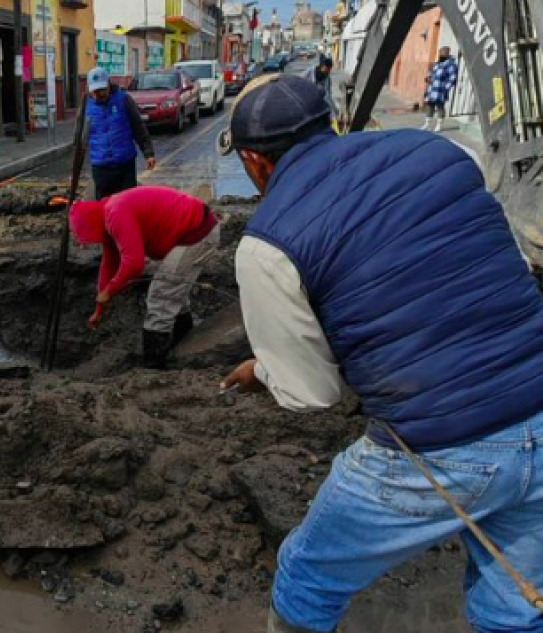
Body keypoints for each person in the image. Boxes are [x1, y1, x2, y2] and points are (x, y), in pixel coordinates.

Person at [217, 73, 543, 632]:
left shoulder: (269, 242)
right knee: (518, 601)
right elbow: (502, 262)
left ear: (254, 161)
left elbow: (313, 393)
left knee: (306, 576)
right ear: (329, 123)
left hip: (442, 446)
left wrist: (264, 371)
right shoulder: (439, 150)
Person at [69, 185, 220, 368]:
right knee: (171, 293)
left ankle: (154, 366)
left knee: (160, 297)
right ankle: (184, 345)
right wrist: (99, 308)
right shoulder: (107, 213)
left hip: (197, 233)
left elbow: (134, 264)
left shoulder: (116, 214)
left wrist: (110, 291)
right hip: (187, 231)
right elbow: (109, 264)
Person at [85, 67, 156, 199]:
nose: (100, 94)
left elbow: (138, 126)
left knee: (128, 204)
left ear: (108, 84)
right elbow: (80, 139)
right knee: (104, 207)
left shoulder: (124, 100)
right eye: (96, 91)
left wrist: (148, 153)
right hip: (101, 167)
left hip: (125, 165)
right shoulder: (86, 107)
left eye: (102, 90)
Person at [422, 46, 459, 133]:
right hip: (432, 89)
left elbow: (453, 78)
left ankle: (439, 125)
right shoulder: (437, 63)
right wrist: (428, 78)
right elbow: (431, 73)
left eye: (443, 52)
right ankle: (427, 124)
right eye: (440, 52)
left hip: (440, 90)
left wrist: (445, 88)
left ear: (447, 53)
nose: (441, 54)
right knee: (430, 106)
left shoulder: (451, 65)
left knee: (440, 107)